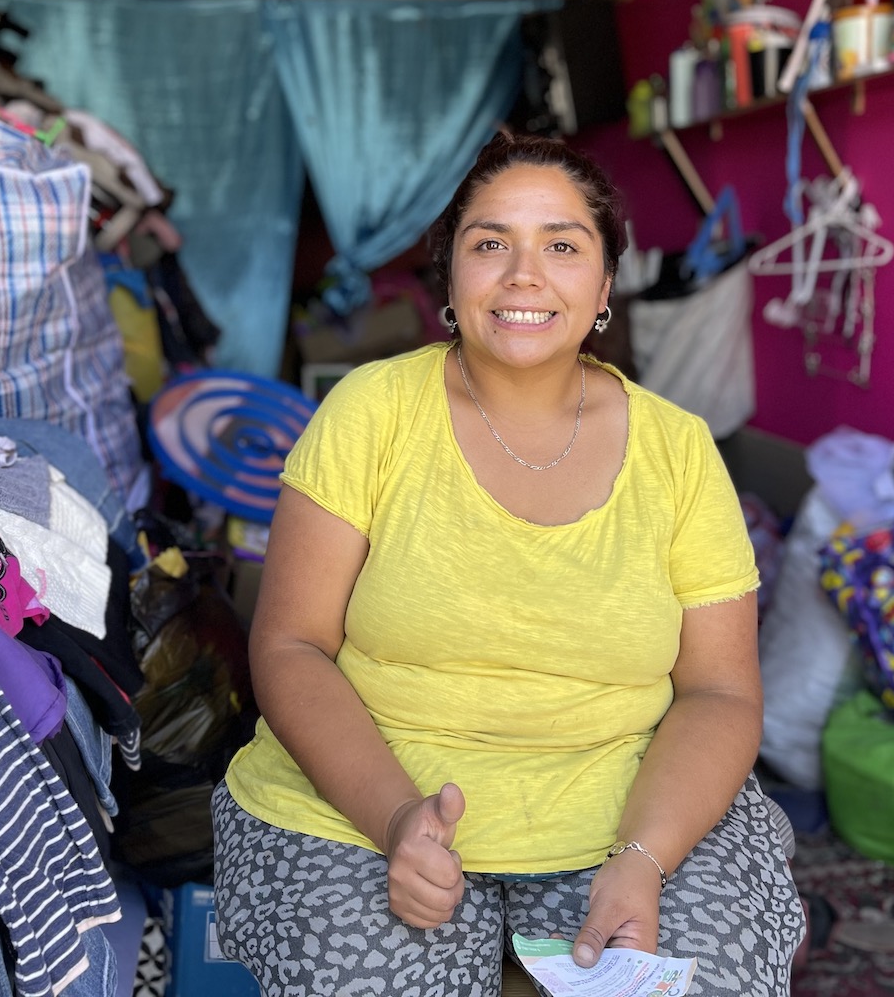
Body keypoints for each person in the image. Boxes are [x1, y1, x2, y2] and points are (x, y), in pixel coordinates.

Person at [214, 132, 804, 995]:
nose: (523, 274)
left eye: (562, 246)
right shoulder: (370, 412)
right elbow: (291, 644)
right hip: (359, 805)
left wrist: (644, 858)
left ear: (605, 287)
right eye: (490, 243)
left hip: (630, 811)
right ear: (451, 278)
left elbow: (720, 691)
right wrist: (397, 818)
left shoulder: (678, 451)